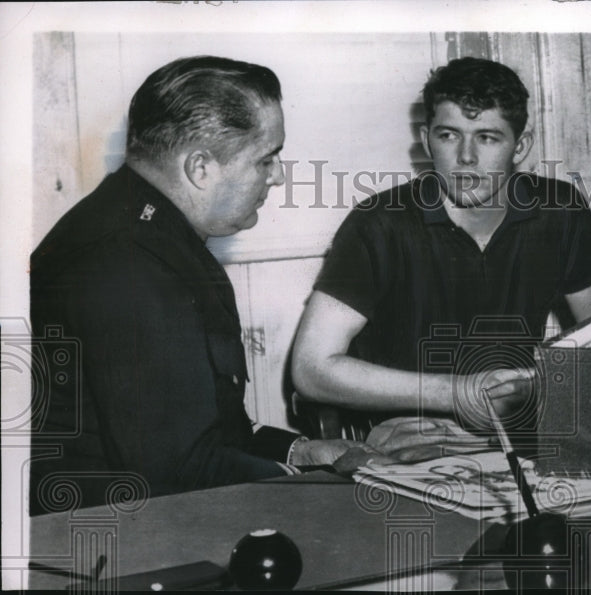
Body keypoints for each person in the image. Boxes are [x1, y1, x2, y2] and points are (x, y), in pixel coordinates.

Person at [30, 56, 386, 515]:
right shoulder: (130, 266)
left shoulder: (148, 230)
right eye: (267, 157)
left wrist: (299, 451)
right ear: (200, 168)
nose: (277, 175)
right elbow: (179, 475)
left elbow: (210, 430)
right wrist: (317, 484)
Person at [291, 57, 591, 456]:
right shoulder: (379, 223)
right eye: (449, 135)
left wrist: (532, 387)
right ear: (427, 139)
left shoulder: (560, 211)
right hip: (415, 439)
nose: (466, 157)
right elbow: (311, 369)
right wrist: (456, 394)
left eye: (487, 137)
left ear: (522, 145)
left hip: (526, 435)